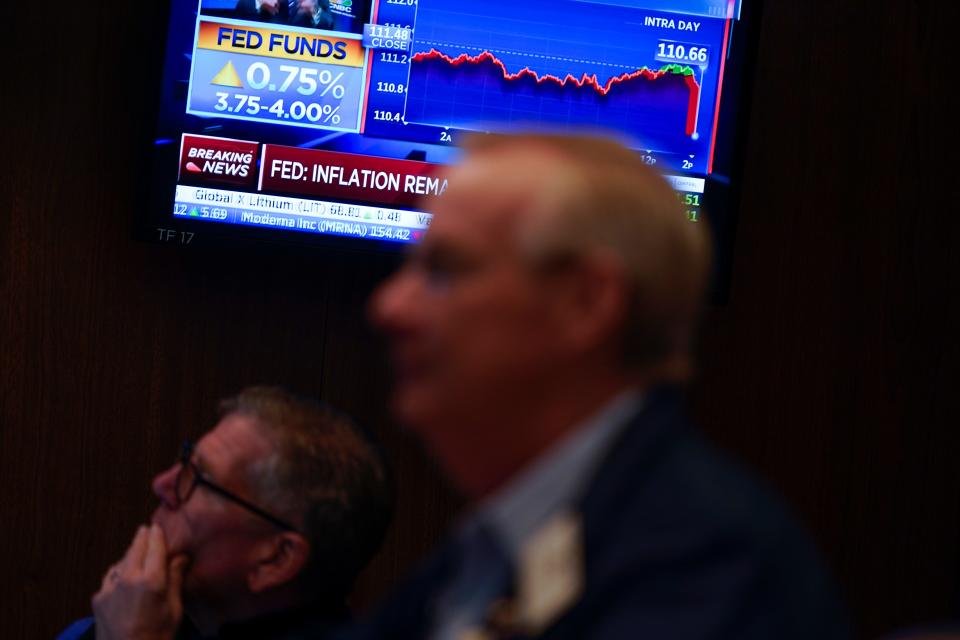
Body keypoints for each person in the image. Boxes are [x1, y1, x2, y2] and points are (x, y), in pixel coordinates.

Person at [345, 132, 851, 639]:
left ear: (585, 303)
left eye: (444, 270)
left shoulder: (707, 564)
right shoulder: (504, 537)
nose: (390, 307)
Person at [57, 386, 393, 640]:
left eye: (200, 478)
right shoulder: (118, 621)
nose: (162, 484)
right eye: (187, 458)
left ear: (276, 558)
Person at [234, 0, 334, 30]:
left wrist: (314, 11)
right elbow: (241, 7)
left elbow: (328, 25)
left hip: (300, 56)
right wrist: (259, 2)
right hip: (263, 49)